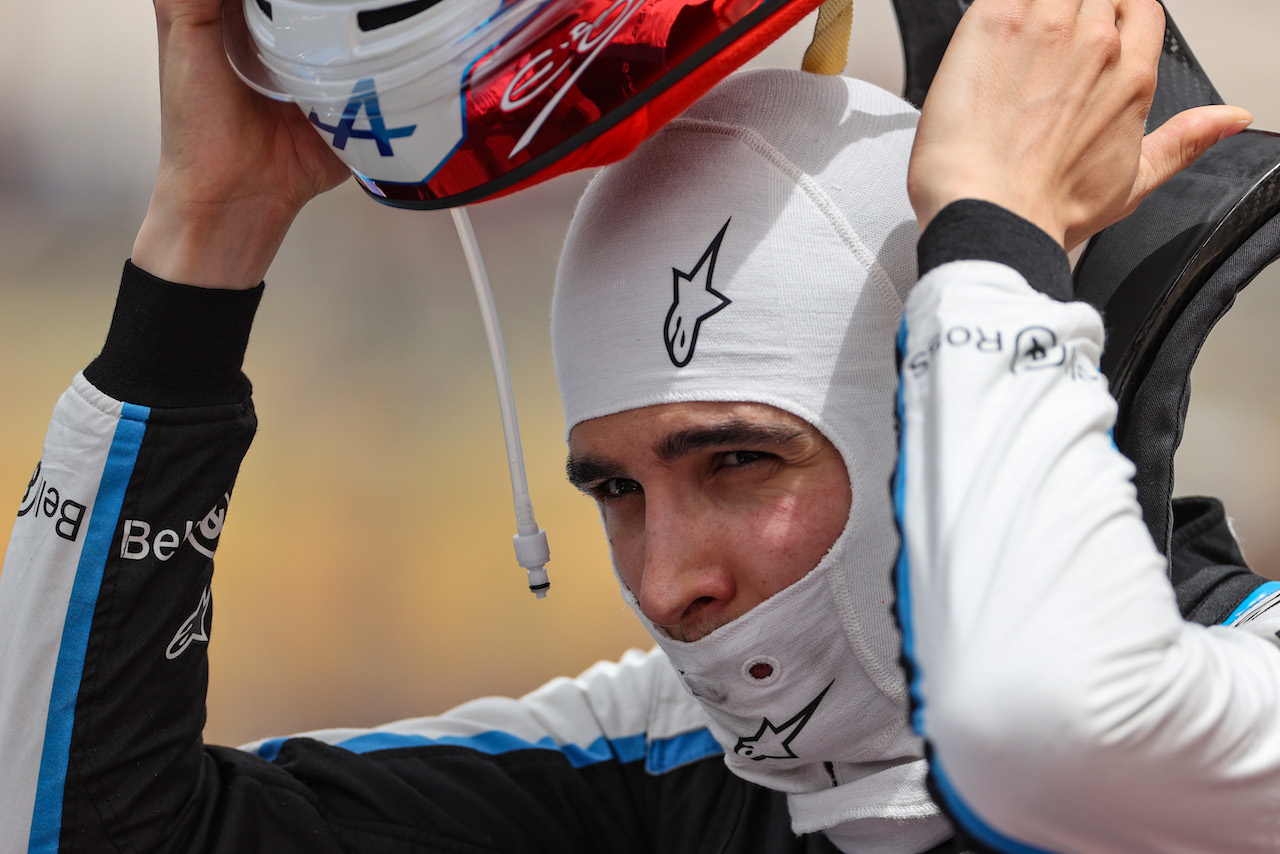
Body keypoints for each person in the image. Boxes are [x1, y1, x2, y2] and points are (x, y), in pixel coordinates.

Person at [0, 1, 1268, 853]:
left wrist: (994, 239)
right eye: (614, 491)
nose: (667, 586)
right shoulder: (655, 754)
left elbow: (1049, 733)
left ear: (929, 405)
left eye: (736, 458)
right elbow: (78, 822)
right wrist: (206, 232)